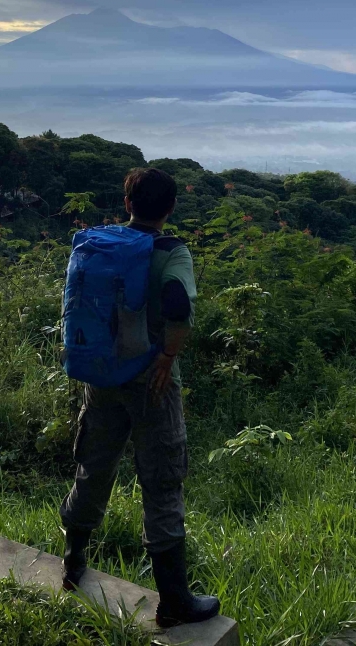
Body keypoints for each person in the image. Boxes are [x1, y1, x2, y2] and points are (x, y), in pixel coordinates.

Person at [59, 167, 221, 628]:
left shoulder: (101, 243)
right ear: (170, 208)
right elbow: (177, 305)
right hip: (151, 381)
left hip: (103, 375)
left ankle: (73, 564)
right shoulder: (171, 251)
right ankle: (174, 602)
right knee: (162, 480)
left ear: (128, 203)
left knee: (94, 464)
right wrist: (169, 355)